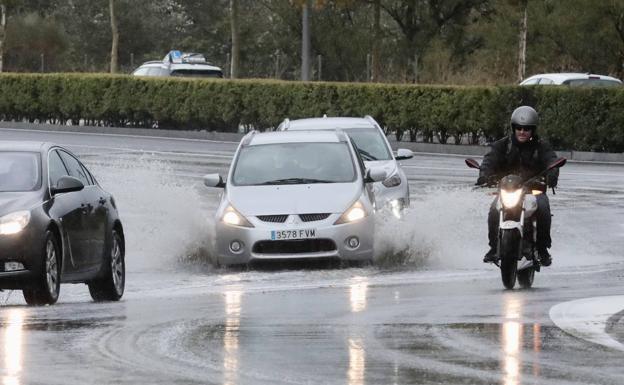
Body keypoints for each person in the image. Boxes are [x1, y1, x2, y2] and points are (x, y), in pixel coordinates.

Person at [477, 106, 559, 266]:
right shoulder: (502, 145)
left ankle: (542, 249)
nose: (522, 131)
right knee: (494, 210)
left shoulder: (541, 146)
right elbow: (489, 160)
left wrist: (552, 175)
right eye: (519, 128)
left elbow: (552, 161)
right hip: (508, 189)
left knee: (543, 207)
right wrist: (483, 175)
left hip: (533, 190)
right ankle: (494, 248)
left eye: (527, 128)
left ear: (533, 130)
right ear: (513, 128)